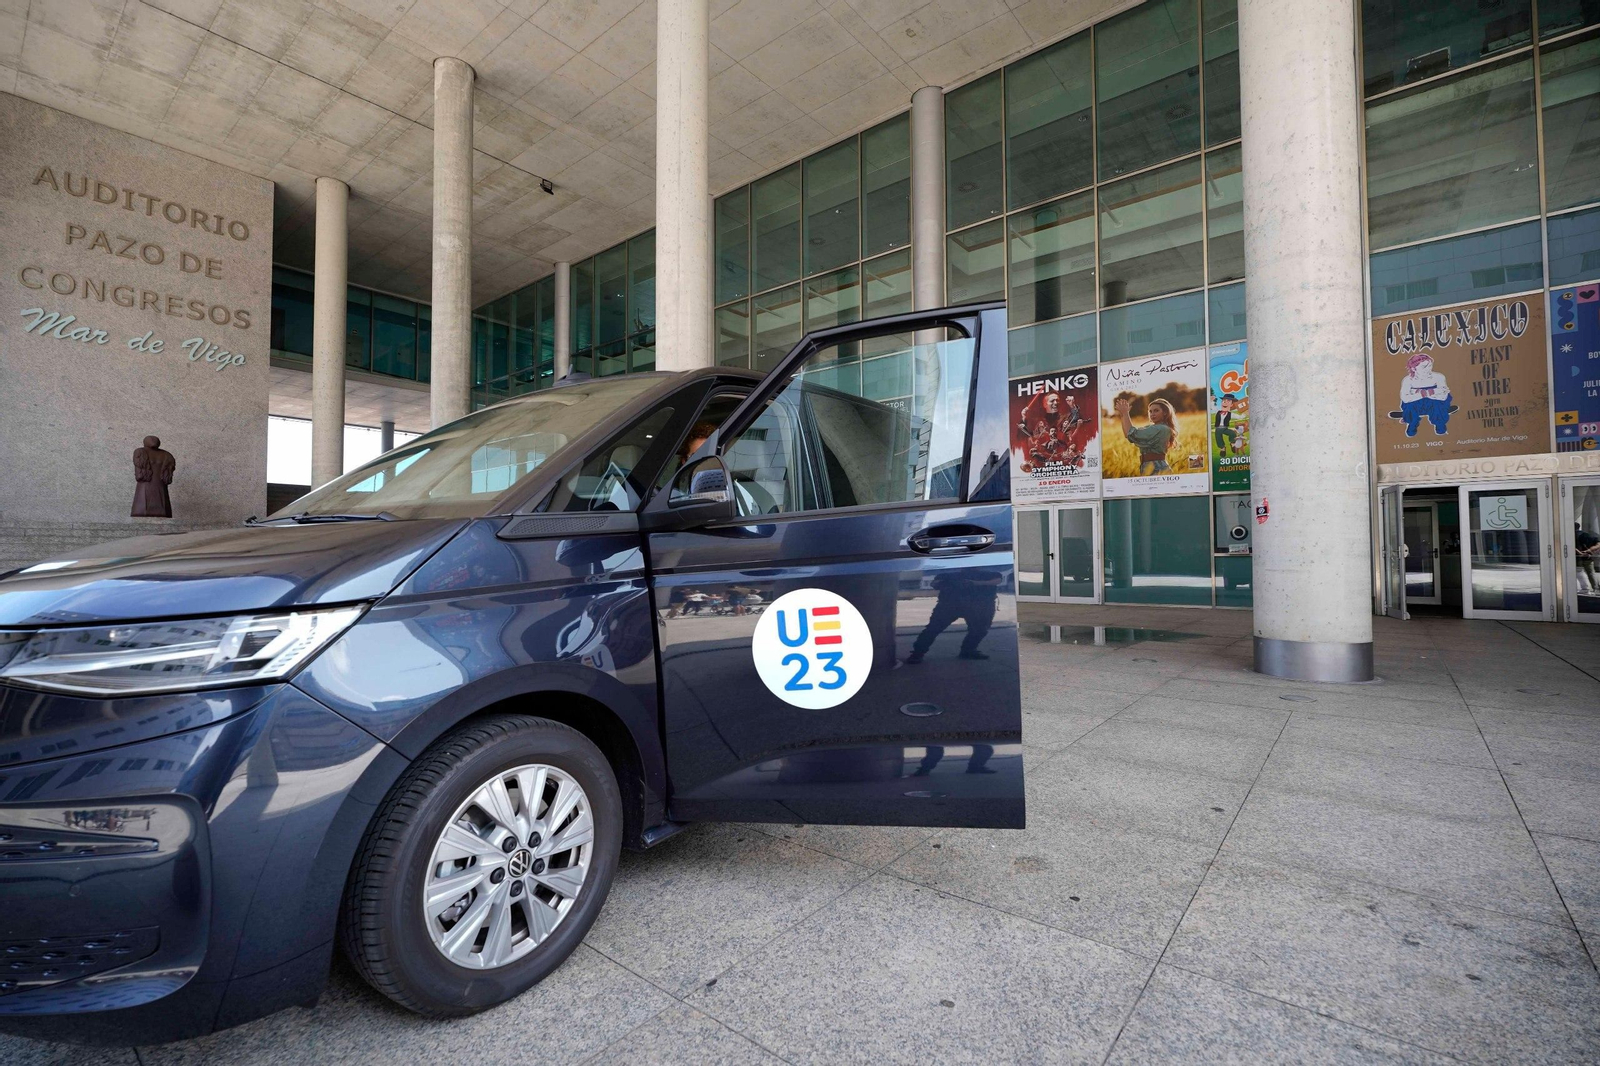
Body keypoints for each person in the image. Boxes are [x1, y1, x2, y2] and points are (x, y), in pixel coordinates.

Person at [905, 567, 1002, 663]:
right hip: (952, 605)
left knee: (980, 629)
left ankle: (968, 650)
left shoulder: (988, 574)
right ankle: (918, 653)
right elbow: (935, 584)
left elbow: (997, 580)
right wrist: (951, 583)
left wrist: (974, 583)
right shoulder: (949, 574)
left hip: (978, 606)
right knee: (933, 629)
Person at [1114, 395, 1177, 475]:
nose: (1152, 414)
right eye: (1150, 411)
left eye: (1156, 410)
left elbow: (1132, 433)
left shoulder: (1162, 428)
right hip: (1148, 467)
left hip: (1158, 468)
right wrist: (1123, 414)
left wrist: (1125, 413)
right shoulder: (1152, 427)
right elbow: (1128, 434)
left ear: (1165, 412)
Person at [1399, 353, 1451, 437]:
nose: (1428, 369)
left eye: (1430, 366)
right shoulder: (1408, 380)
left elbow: (1443, 396)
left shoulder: (1438, 377)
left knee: (1438, 404)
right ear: (1413, 368)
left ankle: (1440, 425)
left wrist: (1418, 392)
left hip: (1433, 404)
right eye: (1424, 367)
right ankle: (1412, 424)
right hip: (1417, 405)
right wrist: (1433, 391)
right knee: (1409, 405)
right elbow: (1405, 398)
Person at [1213, 392, 1244, 457]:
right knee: (1218, 437)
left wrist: (1244, 414)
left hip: (1225, 428)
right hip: (1218, 428)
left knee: (1232, 433)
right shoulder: (1218, 412)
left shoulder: (1230, 414)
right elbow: (1213, 407)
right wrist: (1211, 400)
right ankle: (1222, 448)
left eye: (1228, 401)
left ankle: (1232, 443)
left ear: (1231, 405)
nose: (1225, 402)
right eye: (1223, 401)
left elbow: (1239, 416)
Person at [1576, 522, 1599, 592]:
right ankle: (1595, 588)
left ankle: (1585, 588)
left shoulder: (1571, 535)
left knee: (1579, 572)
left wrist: (1579, 553)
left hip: (1577, 558)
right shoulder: (1586, 535)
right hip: (1588, 557)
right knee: (1591, 573)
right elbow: (1598, 543)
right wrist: (1589, 550)